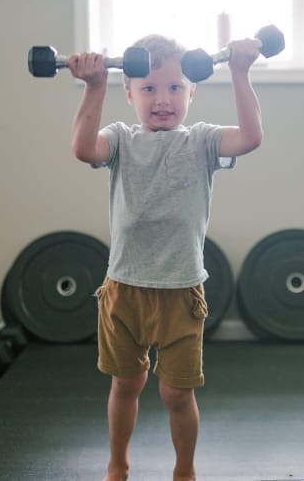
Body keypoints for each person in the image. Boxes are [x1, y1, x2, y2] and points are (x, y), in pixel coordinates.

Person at [68, 34, 263, 481]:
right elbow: (83, 149)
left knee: (177, 393)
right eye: (150, 88)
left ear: (192, 92)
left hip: (180, 292)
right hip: (125, 289)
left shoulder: (202, 141)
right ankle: (118, 464)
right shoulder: (119, 138)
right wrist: (93, 86)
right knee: (126, 384)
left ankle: (185, 470)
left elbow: (251, 138)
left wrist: (240, 71)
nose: (163, 99)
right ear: (130, 92)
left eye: (175, 88)